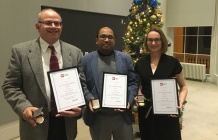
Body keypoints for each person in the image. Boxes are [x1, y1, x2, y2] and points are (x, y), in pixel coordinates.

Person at [2, 8, 88, 140]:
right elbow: (10, 86)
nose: (53, 26)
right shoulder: (21, 52)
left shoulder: (74, 52)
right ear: (38, 26)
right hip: (35, 122)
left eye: (57, 23)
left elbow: (82, 85)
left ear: (61, 27)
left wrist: (81, 109)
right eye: (48, 22)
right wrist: (24, 107)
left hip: (66, 122)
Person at [81, 27, 138, 140]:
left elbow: (133, 82)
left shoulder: (125, 58)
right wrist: (89, 97)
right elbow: (82, 83)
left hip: (122, 115)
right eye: (103, 36)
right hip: (98, 117)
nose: (106, 40)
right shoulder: (86, 60)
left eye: (110, 37)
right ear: (96, 40)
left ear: (114, 41)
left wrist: (129, 101)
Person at [134, 28, 188, 140]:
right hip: (146, 111)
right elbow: (139, 86)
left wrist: (179, 102)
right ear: (146, 42)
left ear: (162, 41)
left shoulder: (172, 62)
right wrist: (139, 100)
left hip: (167, 109)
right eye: (150, 40)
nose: (153, 43)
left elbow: (183, 86)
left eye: (157, 40)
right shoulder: (140, 63)